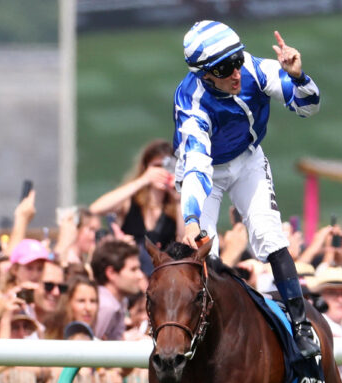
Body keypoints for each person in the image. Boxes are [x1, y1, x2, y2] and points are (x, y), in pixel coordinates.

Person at [174, 20, 321, 357]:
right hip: (206, 169)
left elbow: (308, 107)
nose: (236, 73)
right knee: (203, 251)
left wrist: (298, 76)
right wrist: (192, 219)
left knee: (271, 236)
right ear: (205, 75)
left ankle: (301, 326)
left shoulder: (255, 69)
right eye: (225, 68)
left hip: (248, 159)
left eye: (237, 60)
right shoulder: (192, 103)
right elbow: (196, 167)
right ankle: (208, 336)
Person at [88, 139, 181, 274]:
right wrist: (144, 179)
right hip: (129, 273)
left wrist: (178, 200)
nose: (162, 171)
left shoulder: (175, 206)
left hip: (162, 275)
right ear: (146, 167)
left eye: (167, 166)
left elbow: (182, 240)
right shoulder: (131, 202)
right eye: (157, 166)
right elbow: (96, 209)